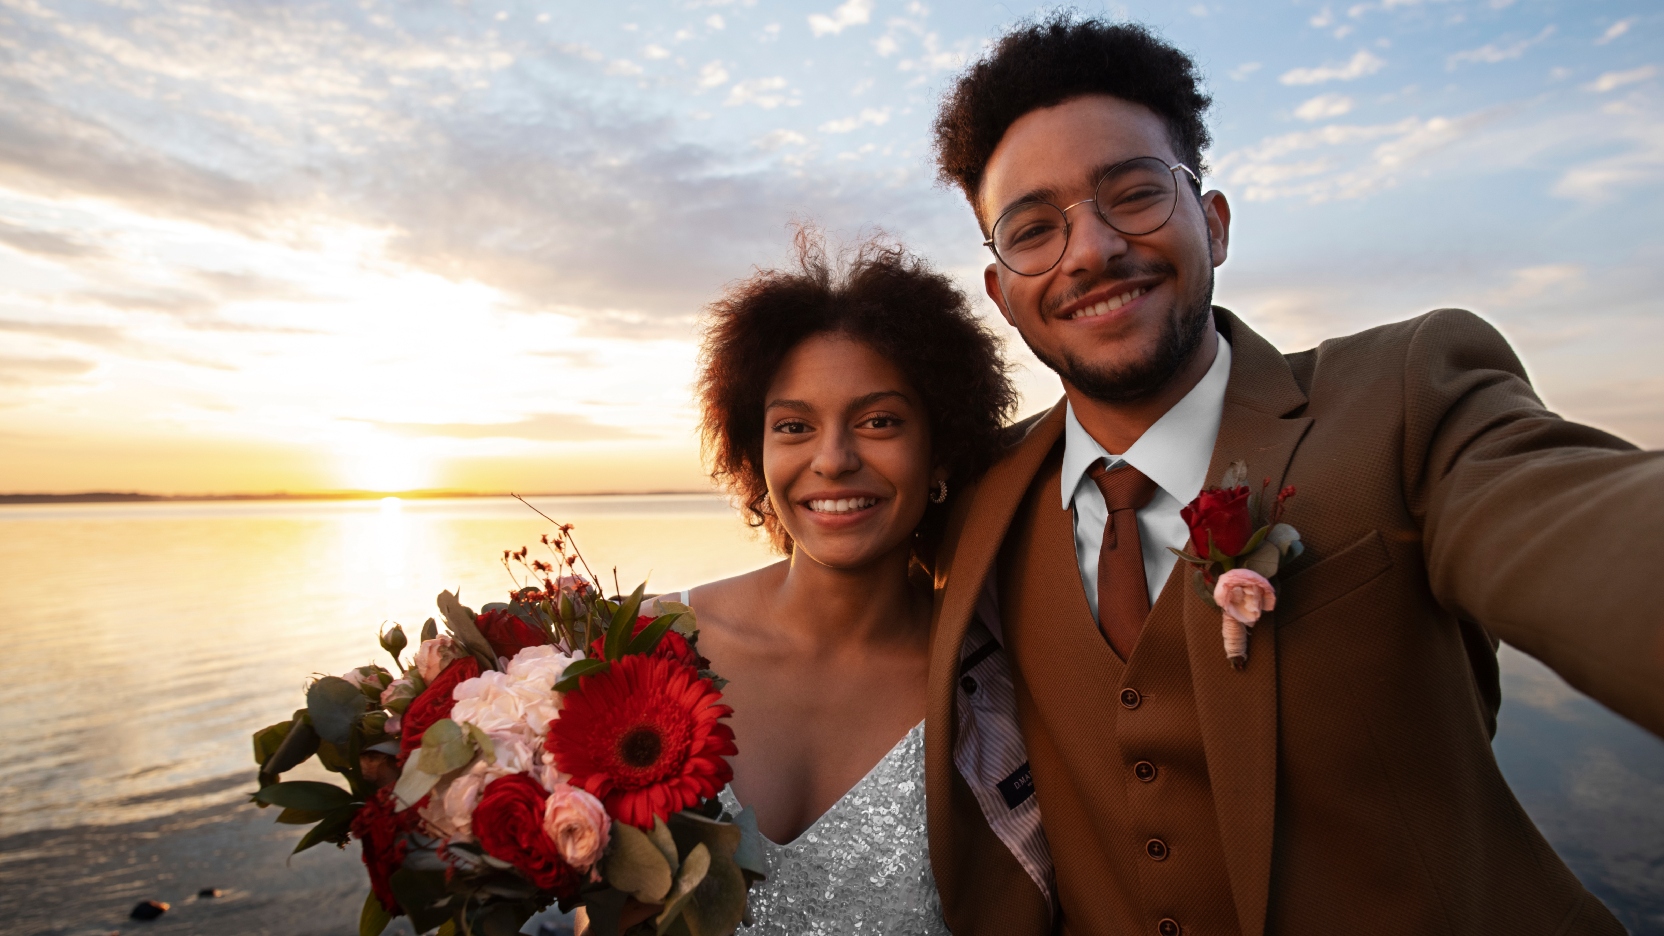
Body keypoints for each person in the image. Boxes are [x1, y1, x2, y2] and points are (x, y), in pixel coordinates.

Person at [922, 15, 1663, 936]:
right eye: (1034, 229)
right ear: (1001, 292)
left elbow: (1578, 520)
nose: (1091, 249)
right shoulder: (976, 497)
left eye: (1136, 193)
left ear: (1215, 223)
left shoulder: (1407, 398)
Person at [633, 231, 1015, 933]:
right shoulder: (648, 647)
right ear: (756, 454)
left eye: (878, 421)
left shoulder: (991, 692)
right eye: (794, 426)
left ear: (940, 453)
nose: (833, 459)